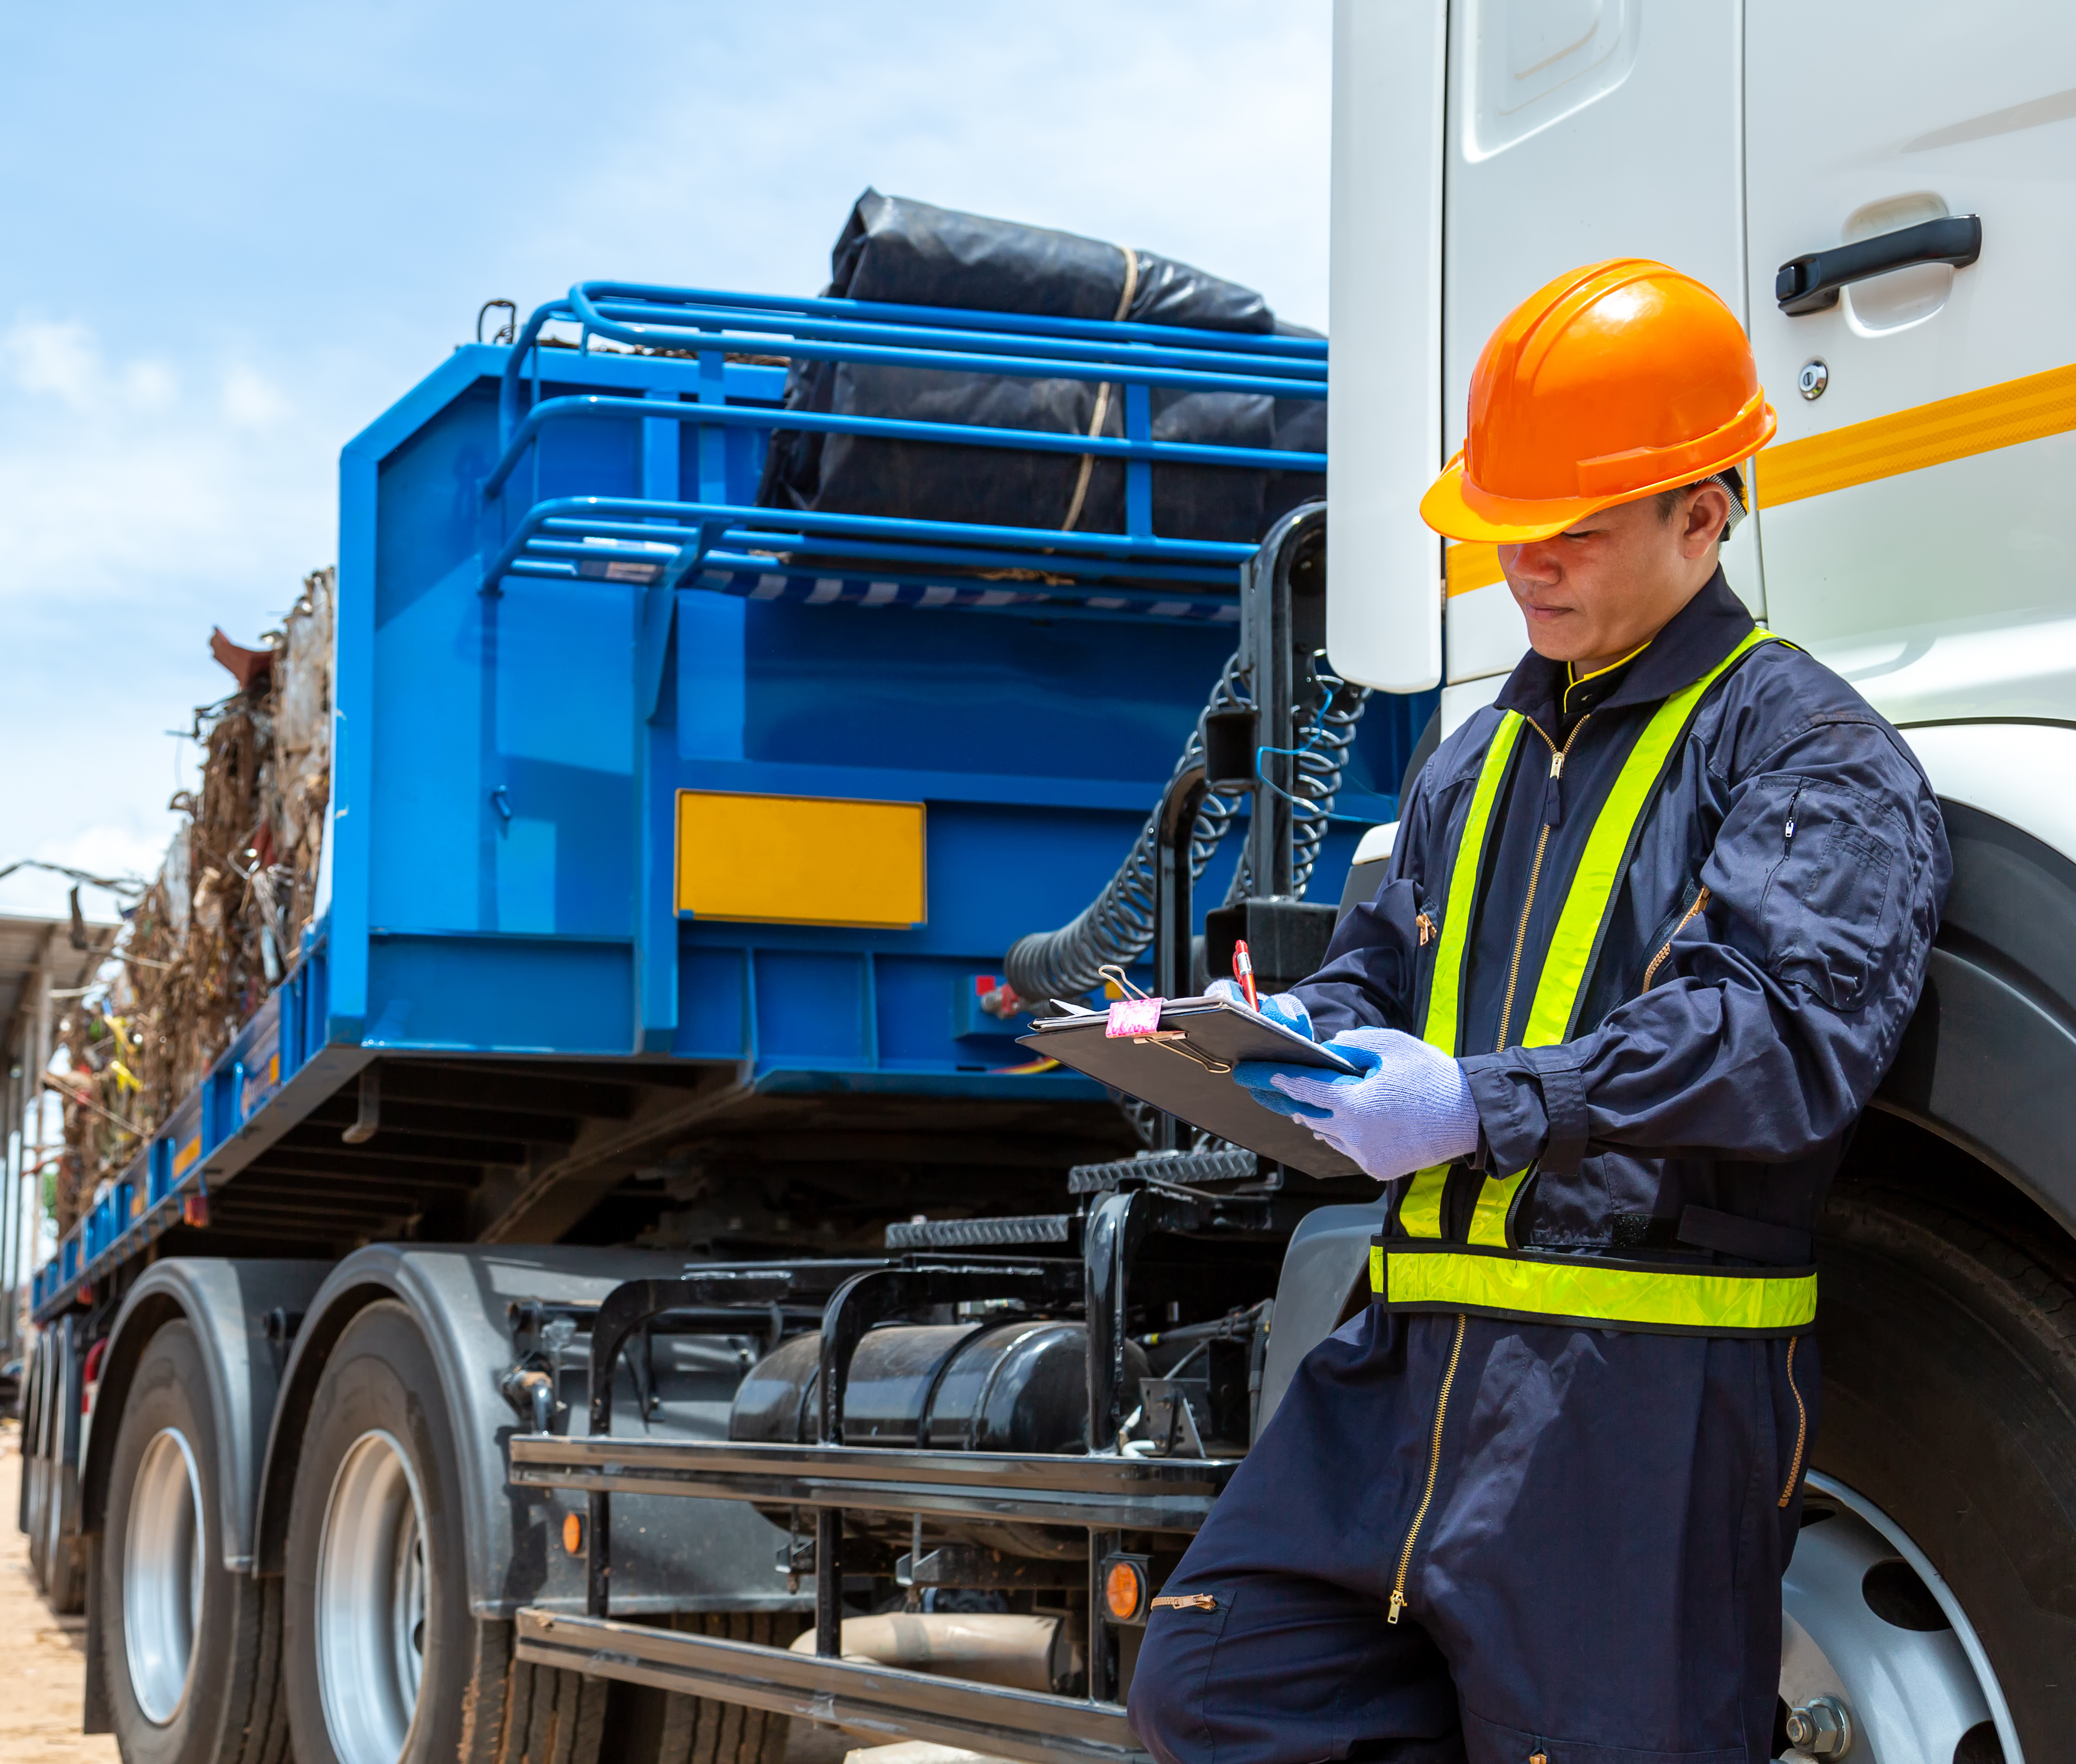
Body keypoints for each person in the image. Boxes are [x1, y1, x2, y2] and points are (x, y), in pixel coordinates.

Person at [1125, 260, 1951, 1764]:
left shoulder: (1814, 757)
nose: (1530, 566)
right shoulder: (1473, 758)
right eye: (1509, 532)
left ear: (1704, 515)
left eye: (1573, 529)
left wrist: (1476, 1105)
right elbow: (1387, 978)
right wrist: (1272, 1033)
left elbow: (1774, 1038)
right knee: (1220, 1683)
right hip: (1413, 1359)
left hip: (1632, 1393)